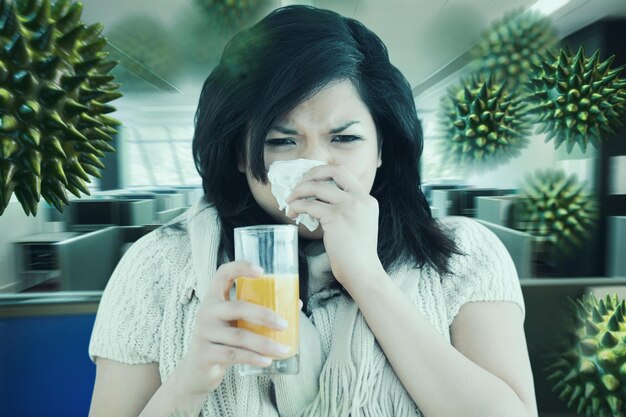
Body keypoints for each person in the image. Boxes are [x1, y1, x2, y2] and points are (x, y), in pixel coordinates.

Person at [88, 5, 538, 417]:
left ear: (383, 148)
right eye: (282, 141)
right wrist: (192, 378)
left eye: (344, 139)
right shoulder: (159, 266)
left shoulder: (465, 254)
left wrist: (366, 278)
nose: (315, 166)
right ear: (242, 158)